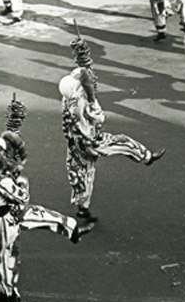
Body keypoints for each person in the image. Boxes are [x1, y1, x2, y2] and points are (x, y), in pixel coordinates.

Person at [0, 131, 84, 302]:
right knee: (8, 257)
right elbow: (23, 197)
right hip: (5, 220)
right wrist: (22, 181)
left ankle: (70, 228)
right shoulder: (4, 181)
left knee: (39, 216)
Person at [59, 38, 165, 230]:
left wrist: (82, 58)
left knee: (82, 175)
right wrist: (92, 99)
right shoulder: (83, 103)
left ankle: (82, 207)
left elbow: (83, 74)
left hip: (74, 143)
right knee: (122, 142)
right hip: (91, 140)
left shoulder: (67, 100)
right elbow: (100, 118)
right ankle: (146, 157)